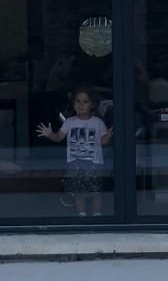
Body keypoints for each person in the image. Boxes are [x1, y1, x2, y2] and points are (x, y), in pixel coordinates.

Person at [37, 88, 113, 217]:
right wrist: (50, 134)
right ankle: (81, 213)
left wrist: (110, 135)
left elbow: (103, 142)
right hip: (75, 162)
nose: (81, 104)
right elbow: (59, 137)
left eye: (85, 101)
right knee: (78, 191)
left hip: (94, 163)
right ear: (73, 104)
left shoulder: (98, 122)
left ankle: (97, 213)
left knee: (96, 191)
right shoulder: (69, 122)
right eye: (77, 101)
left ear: (93, 104)